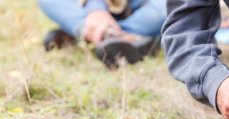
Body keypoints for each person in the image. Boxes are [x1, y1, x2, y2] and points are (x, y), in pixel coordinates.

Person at [38, 0, 166, 68]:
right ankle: (128, 38)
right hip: (92, 5)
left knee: (169, 5)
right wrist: (96, 10)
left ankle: (90, 33)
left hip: (139, 7)